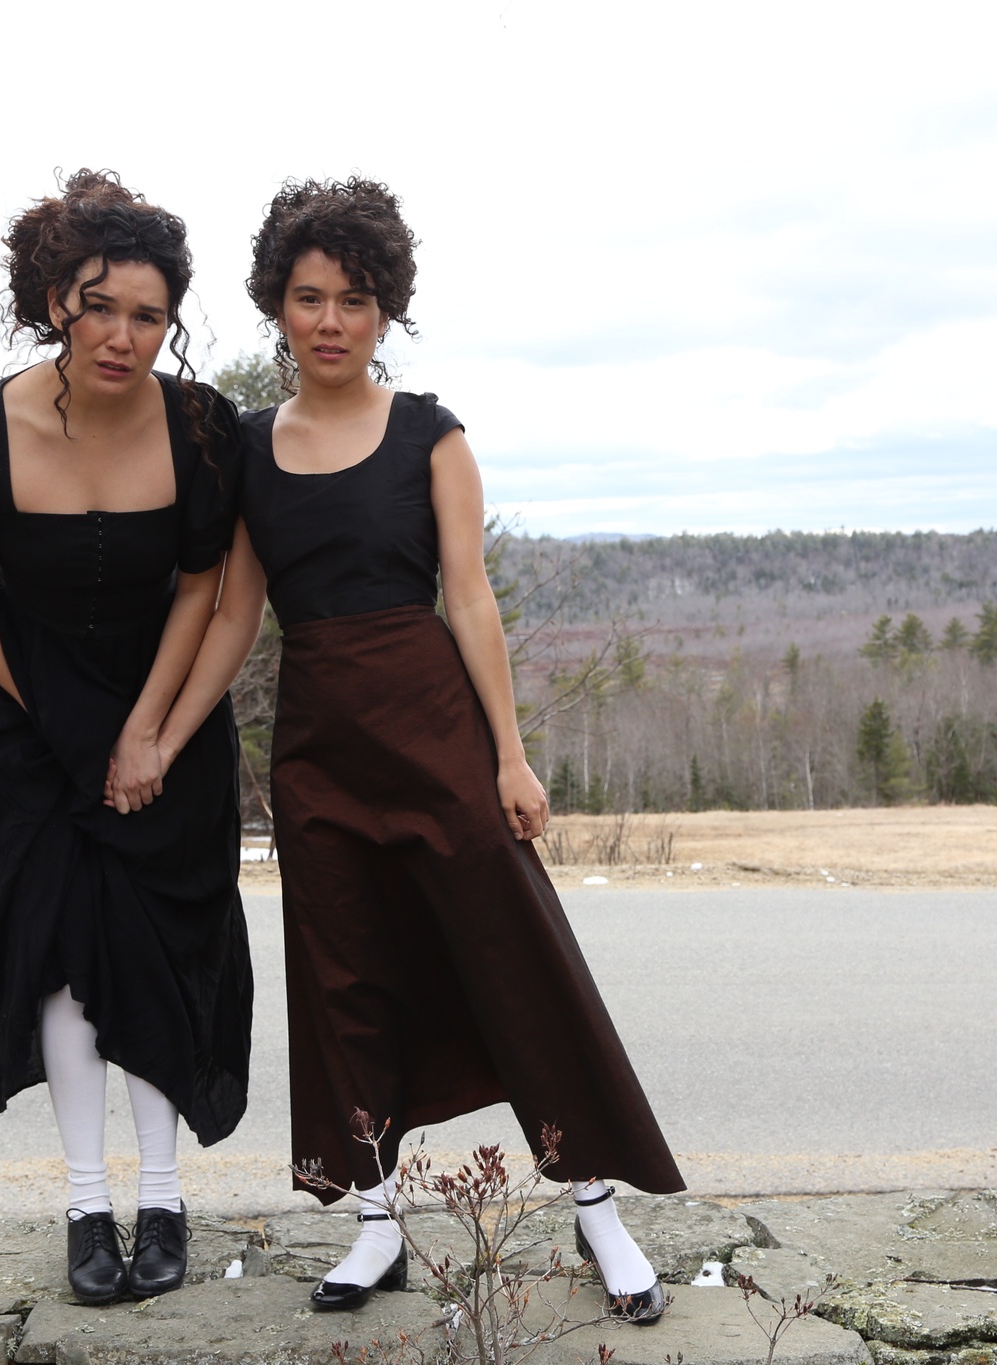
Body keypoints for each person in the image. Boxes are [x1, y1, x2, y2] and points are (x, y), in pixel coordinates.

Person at [151, 178, 682, 1323]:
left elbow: (471, 598)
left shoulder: (429, 434)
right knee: (342, 974)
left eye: (354, 298)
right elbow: (235, 613)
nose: (330, 320)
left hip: (433, 729)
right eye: (307, 298)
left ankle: (595, 1205)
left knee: (511, 953)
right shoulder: (244, 451)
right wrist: (161, 733)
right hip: (316, 745)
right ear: (276, 309)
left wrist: (510, 757)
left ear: (385, 309)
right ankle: (375, 1223)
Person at [0, 170, 251, 1306]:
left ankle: (164, 1198)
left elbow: (203, 587)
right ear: (55, 300)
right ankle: (85, 1204)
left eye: (148, 316)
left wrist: (145, 732)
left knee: (156, 948)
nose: (124, 336)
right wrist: (61, 726)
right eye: (101, 308)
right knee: (53, 952)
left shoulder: (199, 429)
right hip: (25, 716)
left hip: (166, 709)